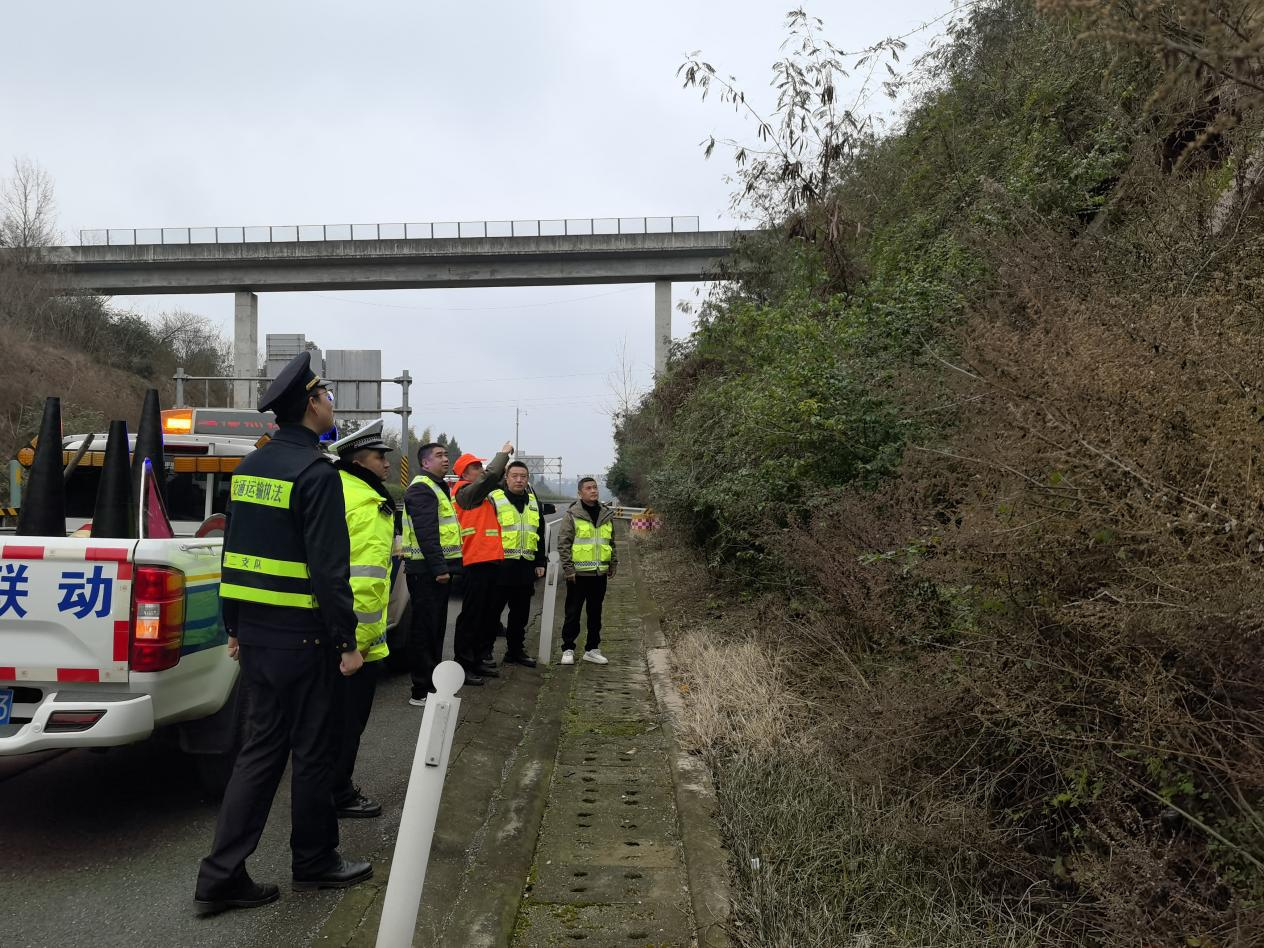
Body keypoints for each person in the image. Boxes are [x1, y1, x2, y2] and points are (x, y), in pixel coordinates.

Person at [195, 351, 371, 917]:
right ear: (312, 405)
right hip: (306, 640)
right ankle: (314, 860)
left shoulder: (251, 469)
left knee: (258, 753)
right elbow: (329, 571)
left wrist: (234, 624)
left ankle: (221, 875)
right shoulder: (316, 474)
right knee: (313, 752)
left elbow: (233, 551)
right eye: (327, 396)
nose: (331, 404)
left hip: (258, 638)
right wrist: (347, 642)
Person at [329, 419, 394, 819]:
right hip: (355, 641)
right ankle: (338, 793)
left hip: (326, 629)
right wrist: (360, 643)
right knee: (347, 724)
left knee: (326, 722)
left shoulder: (335, 488)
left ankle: (326, 788)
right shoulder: (368, 504)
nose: (386, 464)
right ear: (358, 461)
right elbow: (366, 580)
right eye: (378, 457)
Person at [402, 441, 474, 701]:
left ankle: (432, 685)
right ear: (425, 462)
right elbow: (427, 533)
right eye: (439, 455)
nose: (446, 459)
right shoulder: (422, 489)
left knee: (435, 629)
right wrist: (439, 568)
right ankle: (421, 690)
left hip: (433, 570)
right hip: (426, 572)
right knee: (425, 630)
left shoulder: (437, 487)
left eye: (446, 455)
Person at [452, 444, 513, 671]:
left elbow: (495, 479)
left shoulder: (479, 494)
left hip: (488, 560)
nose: (481, 469)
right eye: (476, 467)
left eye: (480, 466)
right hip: (474, 561)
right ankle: (464, 663)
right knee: (472, 615)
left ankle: (477, 660)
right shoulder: (465, 492)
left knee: (486, 615)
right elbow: (490, 476)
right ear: (465, 473)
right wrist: (503, 454)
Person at [486, 460, 545, 667]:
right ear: (506, 478)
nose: (519, 480)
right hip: (500, 566)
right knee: (492, 613)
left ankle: (515, 651)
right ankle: (485, 652)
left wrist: (540, 561)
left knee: (520, 615)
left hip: (525, 567)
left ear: (528, 479)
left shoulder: (534, 503)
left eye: (523, 476)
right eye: (515, 476)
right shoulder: (494, 499)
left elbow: (539, 534)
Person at [557, 476, 616, 666]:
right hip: (578, 575)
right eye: (588, 488)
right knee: (573, 613)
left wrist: (612, 563)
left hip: (599, 573)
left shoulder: (606, 514)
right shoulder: (572, 514)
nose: (593, 490)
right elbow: (564, 543)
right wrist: (568, 569)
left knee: (595, 613)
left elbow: (610, 541)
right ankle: (568, 649)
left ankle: (592, 649)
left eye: (595, 487)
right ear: (580, 493)